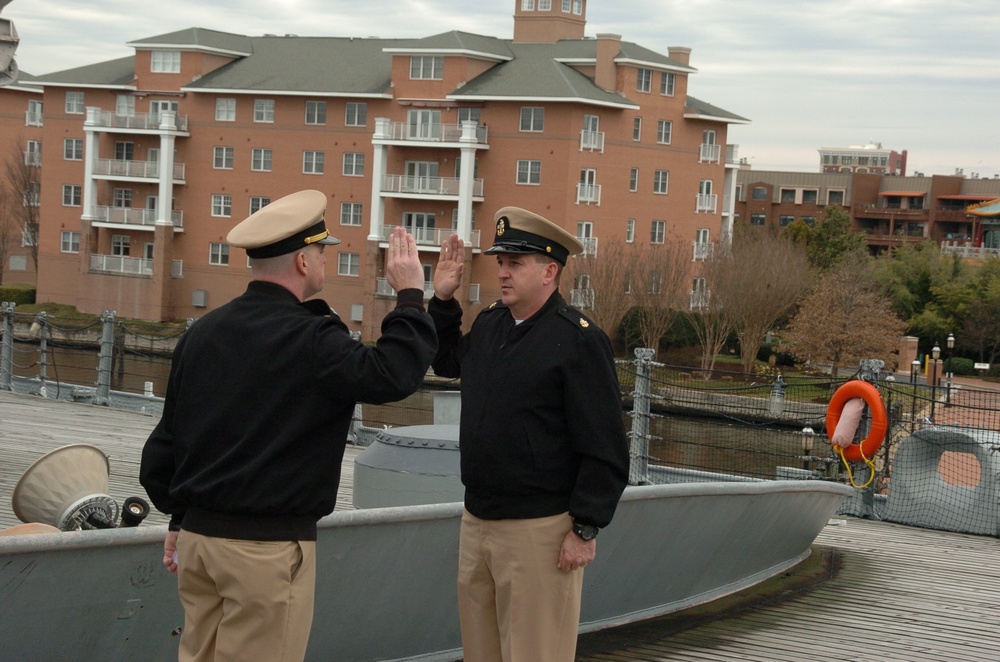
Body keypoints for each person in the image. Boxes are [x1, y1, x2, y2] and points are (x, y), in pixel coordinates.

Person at [139, 189, 437, 662]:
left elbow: (166, 446)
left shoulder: (203, 333)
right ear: (303, 262)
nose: (324, 261)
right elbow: (393, 374)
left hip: (198, 544)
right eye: (321, 251)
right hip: (265, 550)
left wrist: (182, 517)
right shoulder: (314, 339)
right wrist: (410, 295)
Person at [429, 206, 630, 662]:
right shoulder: (491, 324)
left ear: (549, 271)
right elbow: (445, 363)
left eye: (515, 264)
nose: (502, 272)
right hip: (477, 523)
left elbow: (605, 446)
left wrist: (584, 526)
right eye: (501, 262)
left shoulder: (578, 340)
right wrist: (442, 301)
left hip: (538, 532)